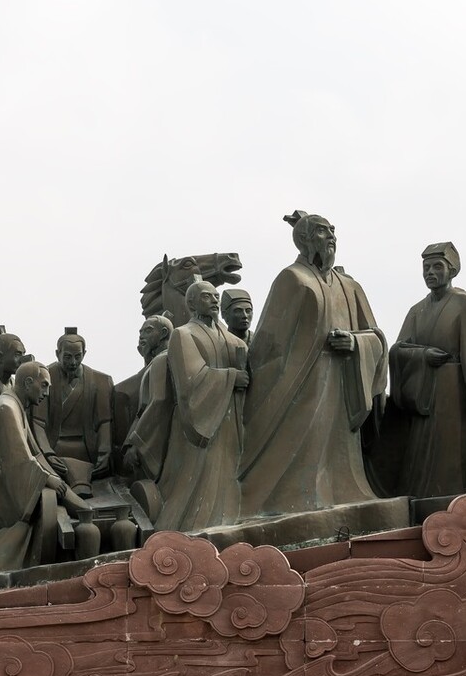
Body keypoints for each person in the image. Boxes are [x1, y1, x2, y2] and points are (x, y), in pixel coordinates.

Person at [239, 211, 388, 516]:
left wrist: (355, 343)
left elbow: (375, 335)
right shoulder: (292, 279)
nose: (330, 236)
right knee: (304, 449)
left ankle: (343, 494)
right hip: (302, 385)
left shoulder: (349, 286)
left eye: (332, 231)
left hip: (344, 379)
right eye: (321, 232)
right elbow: (267, 343)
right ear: (304, 240)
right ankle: (293, 500)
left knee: (339, 452)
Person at [388, 242, 466, 497]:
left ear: (452, 270)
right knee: (422, 449)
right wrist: (423, 355)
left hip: (454, 387)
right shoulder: (416, 310)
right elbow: (398, 349)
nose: (430, 273)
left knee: (453, 444)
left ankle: (456, 494)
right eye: (426, 268)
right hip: (424, 388)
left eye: (437, 267)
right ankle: (423, 496)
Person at [149, 280, 249, 530]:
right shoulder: (183, 334)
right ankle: (188, 529)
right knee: (200, 479)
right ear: (191, 303)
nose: (214, 299)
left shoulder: (232, 339)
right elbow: (191, 379)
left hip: (231, 419)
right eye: (207, 296)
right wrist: (231, 377)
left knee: (231, 473)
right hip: (200, 421)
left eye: (216, 296)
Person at [0, 361, 89, 574]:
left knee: (54, 500)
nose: (47, 393)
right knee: (41, 511)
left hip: (5, 478)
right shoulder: (6, 408)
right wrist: (47, 479)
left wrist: (66, 490)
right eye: (44, 385)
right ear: (28, 383)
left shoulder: (16, 406)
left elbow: (35, 455)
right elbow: (19, 460)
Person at [32, 327, 114, 496]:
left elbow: (104, 422)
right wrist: (48, 453)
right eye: (67, 357)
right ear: (57, 354)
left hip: (87, 451)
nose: (73, 362)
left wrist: (104, 452)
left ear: (85, 353)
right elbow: (38, 422)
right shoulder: (43, 379)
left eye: (78, 356)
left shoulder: (100, 381)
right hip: (55, 449)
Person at [113, 315, 172, 478]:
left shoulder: (163, 360)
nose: (141, 336)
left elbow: (156, 404)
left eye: (148, 331)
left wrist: (135, 444)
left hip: (156, 442)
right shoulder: (156, 362)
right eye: (140, 332)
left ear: (163, 333)